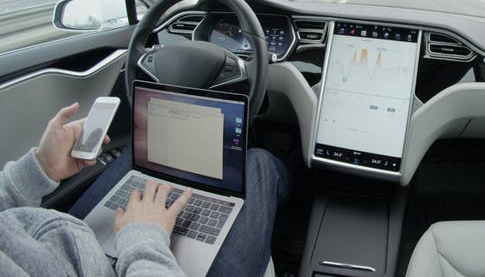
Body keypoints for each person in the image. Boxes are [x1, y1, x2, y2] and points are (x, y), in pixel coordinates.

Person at [0, 103, 289, 276]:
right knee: (258, 163)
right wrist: (143, 239)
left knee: (139, 155)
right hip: (131, 261)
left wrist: (38, 170)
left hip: (70, 243)